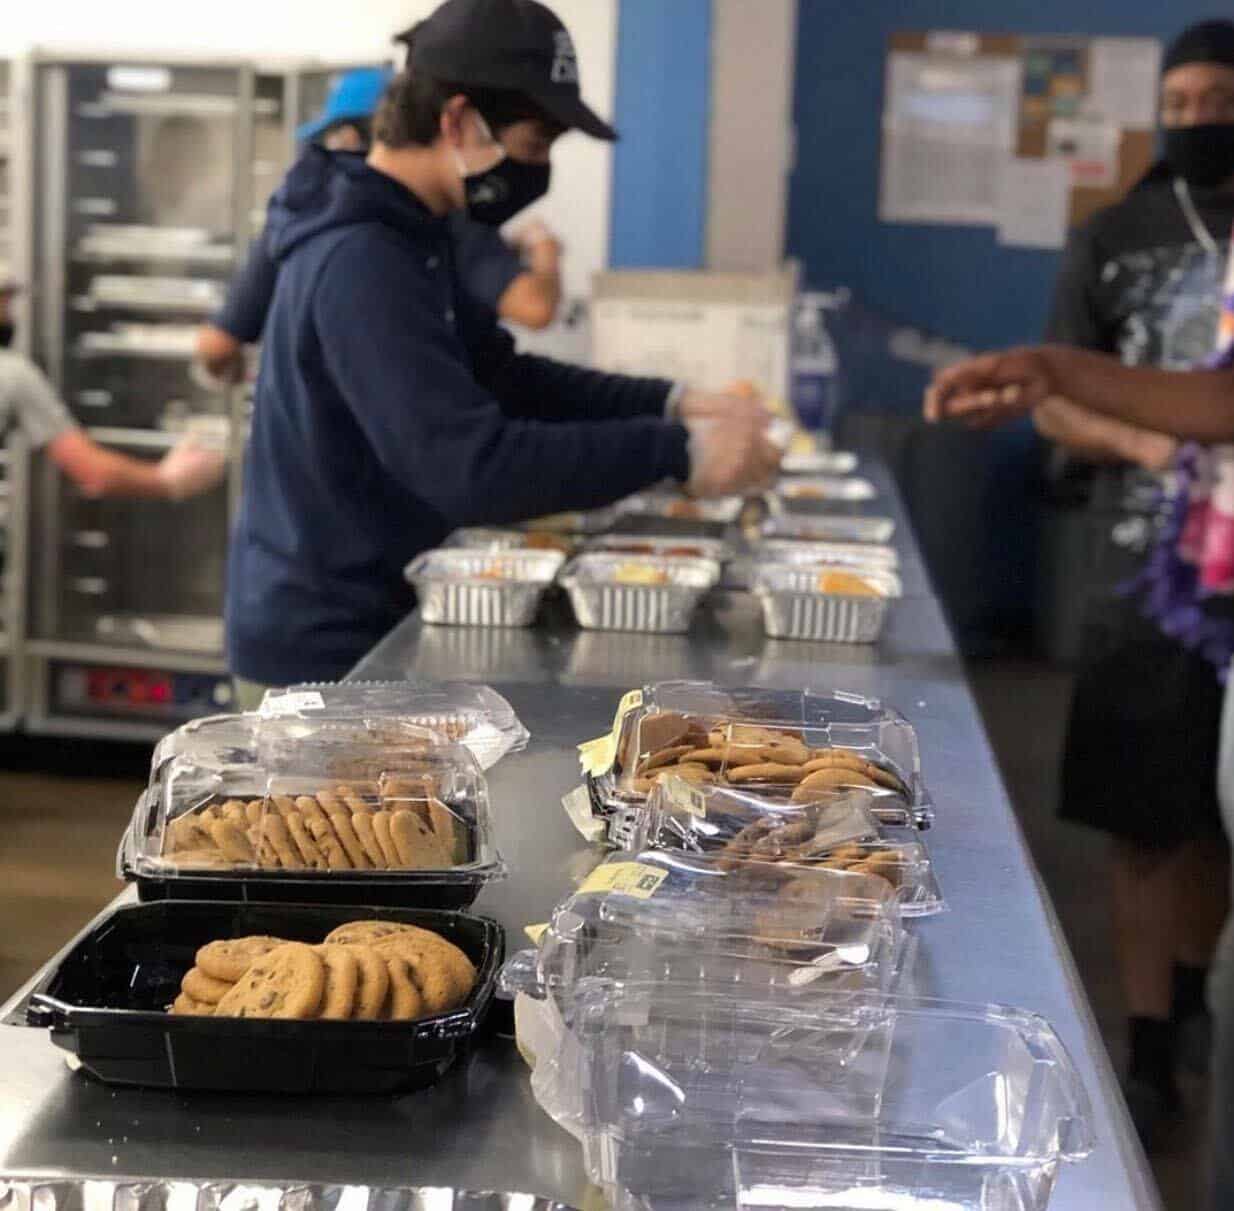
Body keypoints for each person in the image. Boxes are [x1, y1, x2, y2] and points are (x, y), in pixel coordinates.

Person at [224, 0, 778, 700]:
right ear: (457, 121)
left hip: (378, 615)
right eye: (534, 145)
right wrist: (676, 451)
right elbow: (470, 466)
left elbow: (504, 377)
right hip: (327, 648)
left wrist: (674, 401)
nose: (538, 171)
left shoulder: (416, 237)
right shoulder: (362, 260)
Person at [924, 312, 1234, 1209]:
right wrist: (1072, 389)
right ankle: (1155, 1043)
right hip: (1179, 582)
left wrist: (1055, 368)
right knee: (1150, 827)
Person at [1032, 18, 1234, 1144]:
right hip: (1138, 569)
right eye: (1186, 99)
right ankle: (1150, 1041)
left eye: (1222, 99)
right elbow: (1056, 396)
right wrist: (1163, 449)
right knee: (1143, 818)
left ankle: (1200, 996)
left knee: (1215, 816)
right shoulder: (1115, 232)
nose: (1201, 118)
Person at [195, 64, 563, 385]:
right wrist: (544, 247)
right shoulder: (429, 224)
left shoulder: (302, 218)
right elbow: (534, 308)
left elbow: (216, 347)